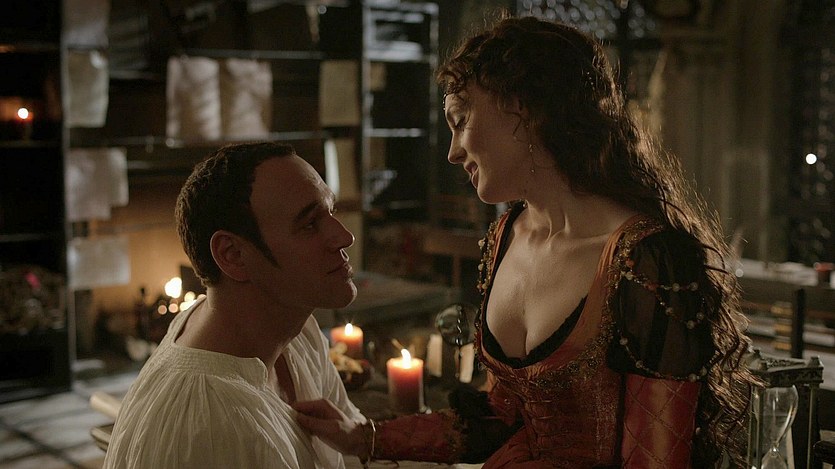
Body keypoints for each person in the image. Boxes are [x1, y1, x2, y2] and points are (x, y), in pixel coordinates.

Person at [293, 14, 758, 468]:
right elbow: (499, 418)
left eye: (460, 121)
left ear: (523, 110)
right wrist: (366, 436)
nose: (452, 152)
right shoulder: (504, 236)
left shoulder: (649, 259)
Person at [104, 142, 366, 468]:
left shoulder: (295, 329)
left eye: (331, 211)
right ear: (233, 255)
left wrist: (369, 441)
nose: (344, 237)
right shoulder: (210, 428)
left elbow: (353, 448)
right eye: (309, 224)